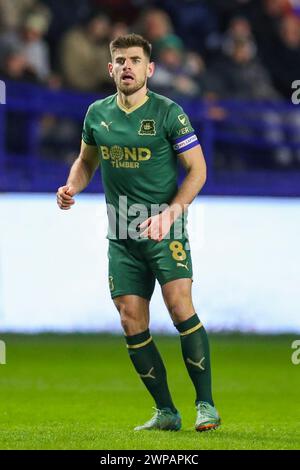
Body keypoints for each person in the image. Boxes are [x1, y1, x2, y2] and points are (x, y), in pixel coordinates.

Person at [56, 33, 221, 432]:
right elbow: (85, 160)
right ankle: (166, 411)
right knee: (131, 318)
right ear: (110, 68)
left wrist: (171, 214)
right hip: (122, 232)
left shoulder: (168, 113)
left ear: (150, 69)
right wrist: (72, 185)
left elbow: (198, 170)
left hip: (166, 228)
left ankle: (206, 405)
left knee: (180, 304)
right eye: (119, 60)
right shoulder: (97, 113)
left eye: (134, 59)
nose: (126, 66)